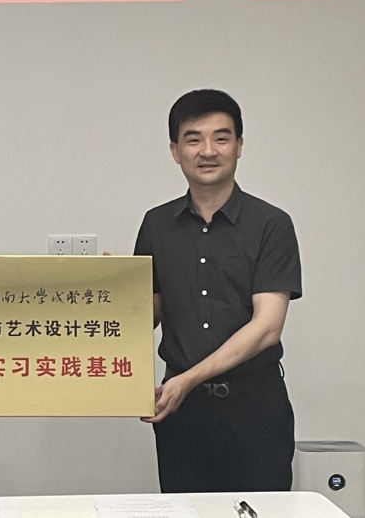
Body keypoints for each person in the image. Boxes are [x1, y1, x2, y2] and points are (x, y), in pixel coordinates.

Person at [134, 89, 303, 493]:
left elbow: (267, 328)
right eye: (193, 139)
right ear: (175, 151)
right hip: (182, 414)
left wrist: (188, 379)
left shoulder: (271, 225)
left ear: (239, 146)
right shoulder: (156, 225)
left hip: (256, 408)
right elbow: (148, 314)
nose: (207, 151)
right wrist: (112, 292)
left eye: (221, 138)